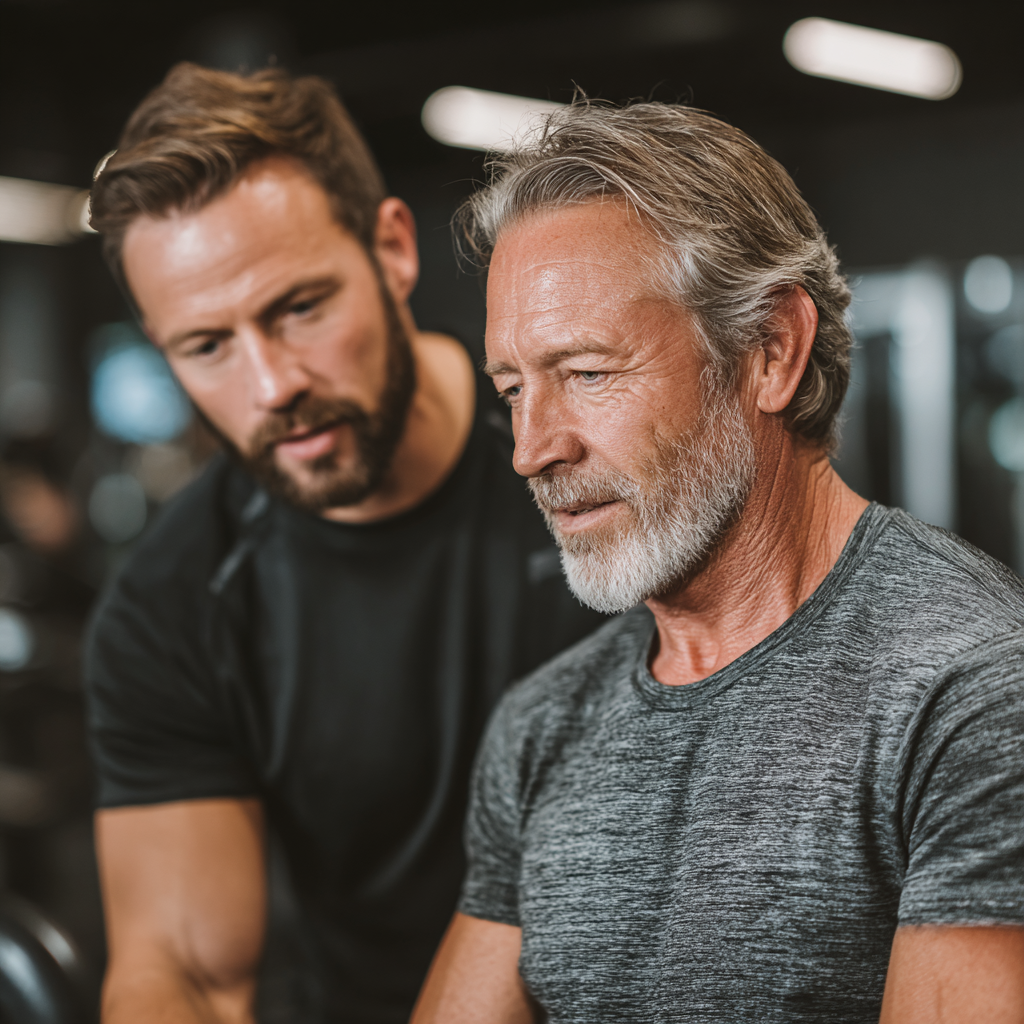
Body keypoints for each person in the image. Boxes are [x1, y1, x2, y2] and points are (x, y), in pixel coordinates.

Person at [412, 100, 1024, 1023]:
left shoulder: (972, 689)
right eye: (511, 389)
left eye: (585, 373)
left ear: (769, 352)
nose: (531, 449)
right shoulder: (543, 726)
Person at [83, 64, 603, 1024]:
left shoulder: (591, 472)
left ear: (392, 249)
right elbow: (184, 978)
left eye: (300, 308)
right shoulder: (172, 608)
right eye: (207, 347)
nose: (271, 383)